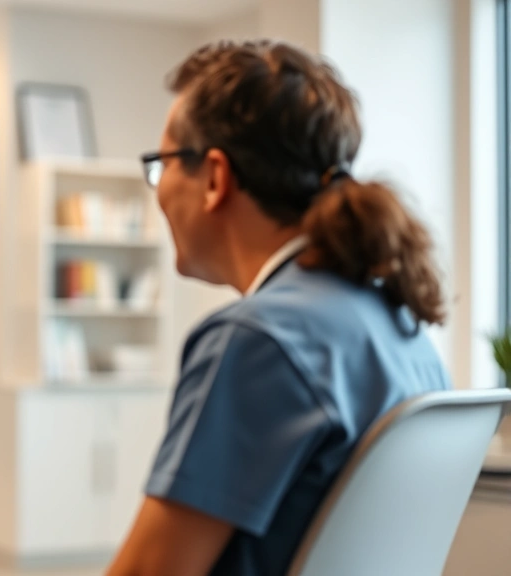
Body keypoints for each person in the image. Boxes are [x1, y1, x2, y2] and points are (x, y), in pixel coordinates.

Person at [107, 40, 451, 576]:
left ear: (215, 178)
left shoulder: (255, 340)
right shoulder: (402, 328)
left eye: (163, 164)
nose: (159, 190)